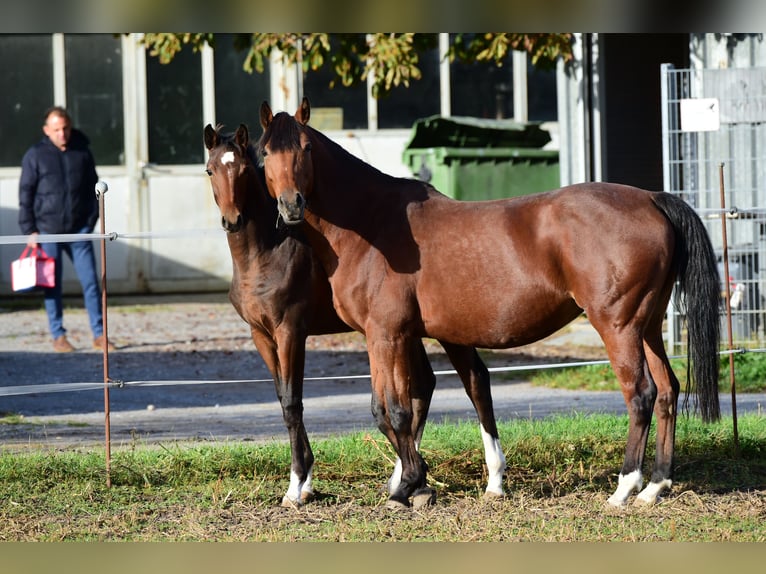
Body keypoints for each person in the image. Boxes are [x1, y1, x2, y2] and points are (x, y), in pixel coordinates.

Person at [18, 106, 115, 353]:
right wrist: (29, 229)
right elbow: (26, 193)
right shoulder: (35, 155)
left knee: (92, 283)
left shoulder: (82, 152)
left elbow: (95, 188)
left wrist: (90, 220)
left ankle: (99, 334)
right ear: (46, 130)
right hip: (48, 230)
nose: (62, 134)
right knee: (52, 285)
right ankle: (58, 335)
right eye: (57, 129)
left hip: (78, 231)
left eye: (65, 128)